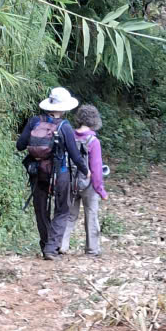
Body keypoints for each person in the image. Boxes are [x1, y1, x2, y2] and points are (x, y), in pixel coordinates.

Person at [16, 87, 90, 261]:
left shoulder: (34, 121)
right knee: (62, 209)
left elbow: (20, 145)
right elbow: (75, 155)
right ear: (64, 108)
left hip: (37, 172)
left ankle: (45, 245)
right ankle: (51, 249)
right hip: (59, 173)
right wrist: (86, 171)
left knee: (41, 209)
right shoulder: (65, 126)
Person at [60, 104, 108, 257]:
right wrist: (101, 190)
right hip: (89, 185)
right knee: (91, 215)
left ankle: (61, 245)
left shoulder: (70, 136)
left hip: (70, 181)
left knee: (69, 215)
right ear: (95, 120)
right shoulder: (93, 141)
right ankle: (92, 249)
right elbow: (96, 168)